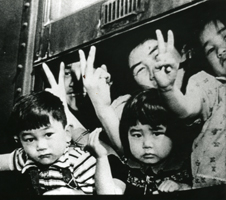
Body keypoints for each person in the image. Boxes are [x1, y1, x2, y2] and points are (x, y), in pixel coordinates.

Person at [0, 91, 98, 195]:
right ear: (20, 141)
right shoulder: (26, 157)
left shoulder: (79, 161)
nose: (41, 146)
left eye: (48, 134)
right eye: (30, 139)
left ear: (67, 133)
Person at [79, 39, 190, 156]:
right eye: (140, 69)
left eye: (157, 56)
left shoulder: (202, 86)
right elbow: (126, 150)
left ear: (185, 54)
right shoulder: (129, 107)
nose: (154, 73)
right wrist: (101, 105)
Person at [152, 24, 225, 189]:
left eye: (225, 37)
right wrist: (168, 89)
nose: (221, 51)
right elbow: (186, 108)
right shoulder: (210, 85)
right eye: (211, 50)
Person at [86, 89, 192, 195]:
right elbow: (110, 193)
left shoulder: (188, 166)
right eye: (137, 135)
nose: (147, 144)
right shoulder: (126, 167)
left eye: (156, 133)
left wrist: (181, 187)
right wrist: (101, 158)